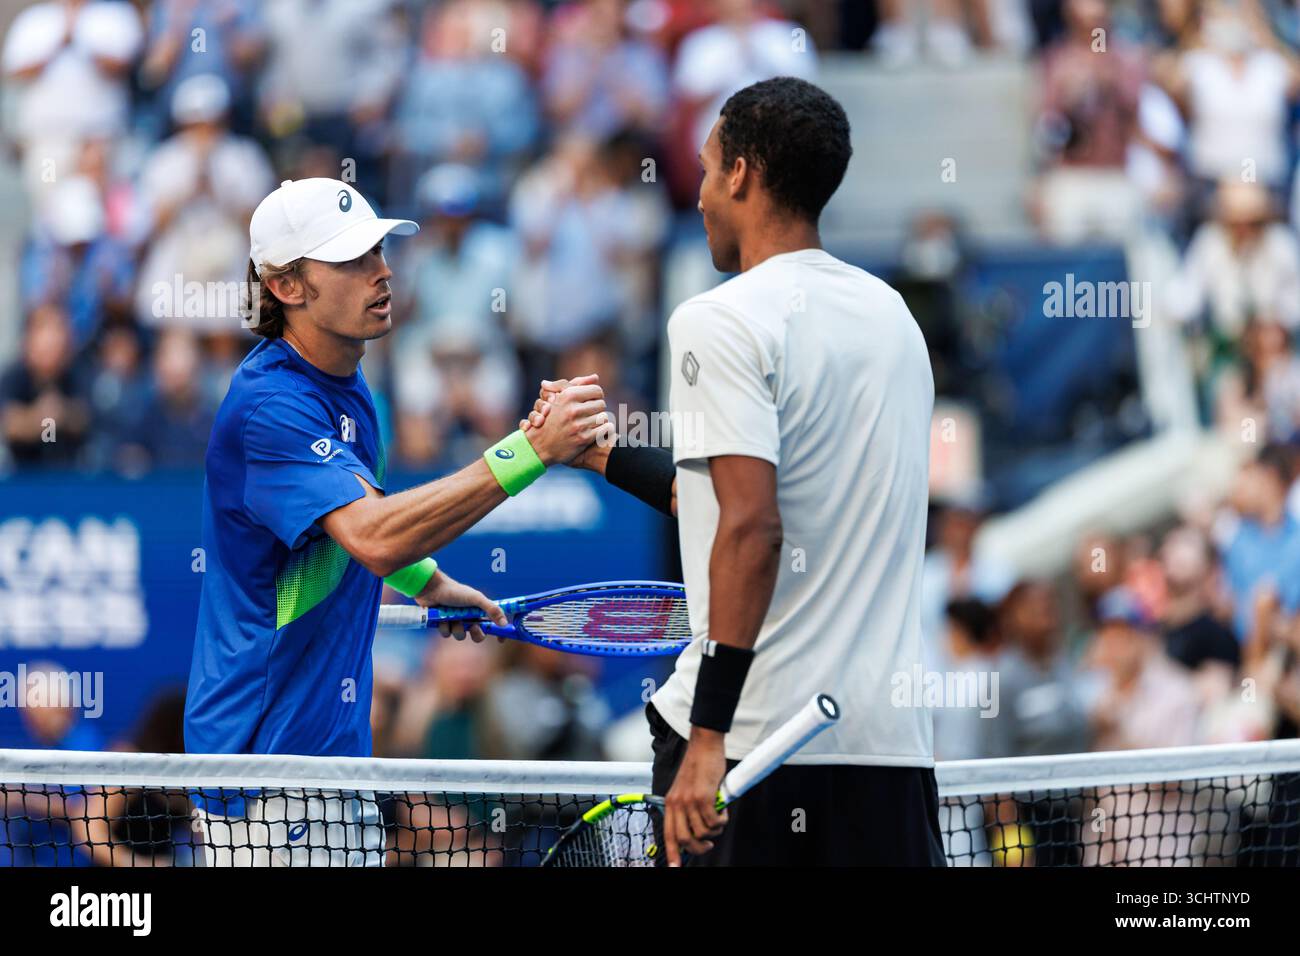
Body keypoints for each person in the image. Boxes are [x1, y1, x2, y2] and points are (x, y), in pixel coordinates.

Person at [526, 77, 944, 866]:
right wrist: (605, 454)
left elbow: (754, 527)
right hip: (888, 755)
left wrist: (710, 737)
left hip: (753, 755)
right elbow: (737, 506)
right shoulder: (895, 318)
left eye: (710, 171)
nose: (702, 196)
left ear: (744, 175)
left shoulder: (718, 318)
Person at [183, 177, 607, 866]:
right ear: (287, 286)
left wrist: (429, 582)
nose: (382, 272)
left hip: (332, 764)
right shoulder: (271, 408)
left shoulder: (350, 388)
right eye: (352, 260)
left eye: (380, 250)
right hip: (266, 776)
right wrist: (530, 451)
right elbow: (372, 533)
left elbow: (347, 528)